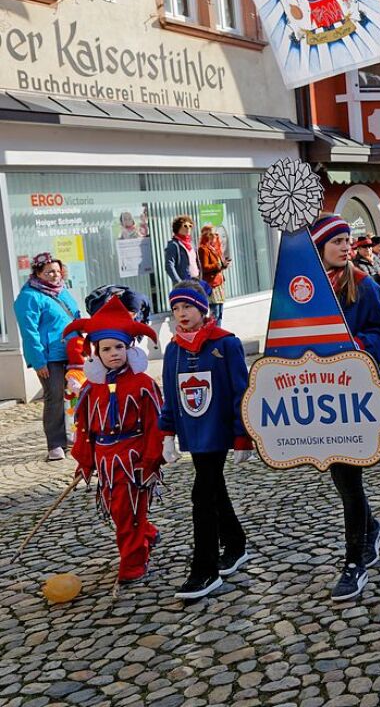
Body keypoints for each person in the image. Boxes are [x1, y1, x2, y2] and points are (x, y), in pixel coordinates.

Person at [311, 215, 380, 601]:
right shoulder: (304, 288)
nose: (346, 246)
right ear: (318, 248)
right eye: (337, 241)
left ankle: (354, 562)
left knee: (349, 479)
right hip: (318, 396)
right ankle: (372, 527)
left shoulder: (362, 285)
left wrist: (360, 348)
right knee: (341, 477)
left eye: (348, 240)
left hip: (353, 395)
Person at [159, 280, 253, 601]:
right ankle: (236, 543)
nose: (181, 314)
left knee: (202, 495)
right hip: (192, 435)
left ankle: (205, 570)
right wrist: (167, 434)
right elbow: (170, 397)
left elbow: (241, 392)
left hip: (218, 432)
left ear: (202, 308)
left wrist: (243, 435)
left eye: (187, 307)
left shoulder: (225, 344)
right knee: (214, 491)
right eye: (175, 309)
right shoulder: (173, 350)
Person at [66, 297, 163, 586]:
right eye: (106, 349)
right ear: (96, 352)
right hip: (106, 459)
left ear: (129, 348)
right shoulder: (90, 389)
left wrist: (151, 460)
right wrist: (85, 461)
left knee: (127, 508)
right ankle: (144, 532)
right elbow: (85, 429)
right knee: (118, 507)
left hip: (134, 458)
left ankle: (134, 559)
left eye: (119, 347)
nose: (113, 353)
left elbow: (154, 425)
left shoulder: (143, 384)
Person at [14, 252, 81, 461]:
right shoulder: (29, 296)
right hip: (49, 357)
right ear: (38, 273)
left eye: (58, 271)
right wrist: (38, 361)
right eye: (49, 272)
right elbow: (29, 331)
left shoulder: (62, 291)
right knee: (54, 397)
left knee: (71, 396)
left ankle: (68, 436)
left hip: (70, 352)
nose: (55, 275)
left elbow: (75, 317)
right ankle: (55, 444)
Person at [198, 225, 232, 325]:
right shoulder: (203, 249)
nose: (215, 236)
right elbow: (204, 267)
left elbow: (218, 264)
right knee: (215, 312)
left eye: (215, 234)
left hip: (219, 282)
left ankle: (218, 332)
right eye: (212, 234)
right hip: (212, 284)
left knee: (220, 311)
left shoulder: (213, 248)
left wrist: (224, 264)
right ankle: (214, 333)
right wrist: (218, 265)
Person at [165, 215, 199, 284]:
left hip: (196, 280)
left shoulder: (191, 244)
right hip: (185, 282)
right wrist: (179, 282)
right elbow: (169, 265)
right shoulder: (174, 244)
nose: (188, 228)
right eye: (185, 226)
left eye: (190, 226)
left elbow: (196, 261)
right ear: (178, 228)